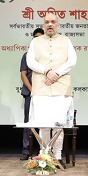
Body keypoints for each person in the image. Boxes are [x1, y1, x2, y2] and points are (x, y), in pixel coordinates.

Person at [25, 12, 77, 162]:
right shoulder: (35, 42)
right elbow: (30, 61)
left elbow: (72, 60)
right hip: (41, 88)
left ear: (58, 25)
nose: (50, 24)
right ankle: (45, 154)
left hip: (61, 89)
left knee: (59, 124)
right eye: (47, 22)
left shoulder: (66, 40)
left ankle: (58, 156)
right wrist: (46, 71)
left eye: (53, 22)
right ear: (43, 25)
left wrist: (57, 73)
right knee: (44, 125)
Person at [20, 26, 45, 160]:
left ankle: (44, 150)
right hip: (30, 93)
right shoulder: (27, 55)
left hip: (45, 94)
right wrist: (32, 90)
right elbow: (23, 75)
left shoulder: (47, 56)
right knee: (28, 123)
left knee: (45, 123)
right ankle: (26, 151)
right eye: (36, 38)